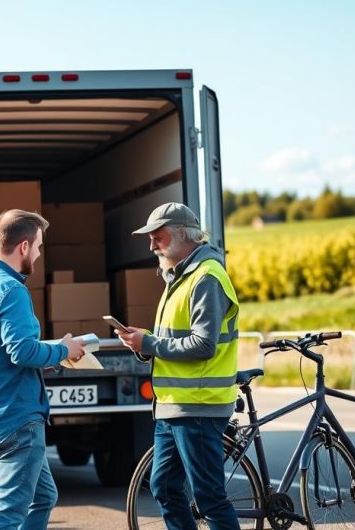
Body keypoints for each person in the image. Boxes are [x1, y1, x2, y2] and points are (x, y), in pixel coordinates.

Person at [0, 209, 86, 530]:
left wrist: (52, 356)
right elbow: (22, 351)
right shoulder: (11, 290)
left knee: (25, 499)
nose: (39, 255)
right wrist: (64, 349)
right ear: (24, 246)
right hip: (16, 418)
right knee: (9, 511)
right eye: (39, 247)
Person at [115, 202, 240, 530]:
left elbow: (203, 345)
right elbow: (171, 339)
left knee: (209, 496)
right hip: (173, 407)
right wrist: (143, 344)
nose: (152, 244)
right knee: (165, 488)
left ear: (184, 235)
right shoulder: (178, 277)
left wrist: (150, 344)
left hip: (197, 406)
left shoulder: (206, 277)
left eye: (158, 236)